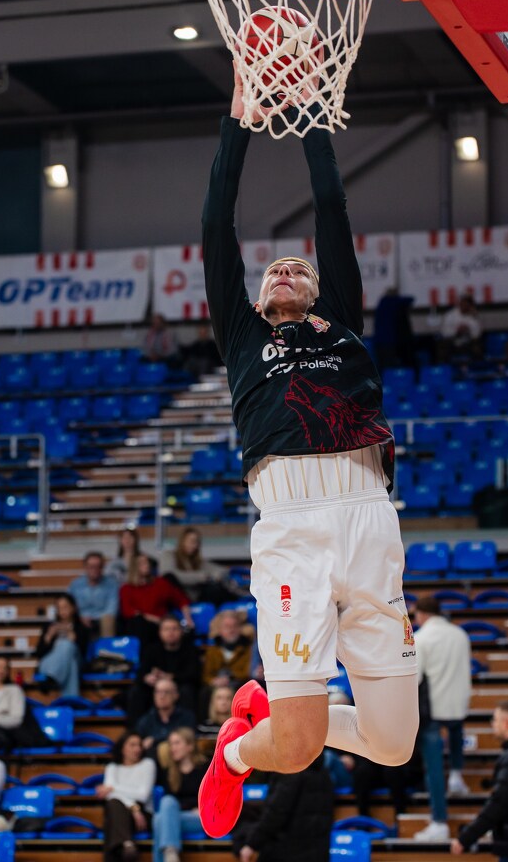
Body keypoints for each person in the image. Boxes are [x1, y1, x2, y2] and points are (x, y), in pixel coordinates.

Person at [197, 67, 418, 838]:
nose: (286, 269)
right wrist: (240, 119)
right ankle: (233, 753)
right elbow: (216, 224)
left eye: (299, 268)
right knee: (290, 752)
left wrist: (312, 110)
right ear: (259, 300)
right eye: (273, 271)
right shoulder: (242, 338)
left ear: (319, 293)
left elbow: (331, 205)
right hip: (291, 528)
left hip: (367, 518)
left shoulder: (342, 327)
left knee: (392, 745)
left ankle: (278, 717)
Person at [414, 595, 473, 842]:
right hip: (458, 703)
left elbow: (415, 677)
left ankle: (439, 821)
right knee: (456, 733)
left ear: (422, 614)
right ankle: (457, 776)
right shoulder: (460, 634)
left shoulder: (421, 638)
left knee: (434, 768)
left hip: (433, 708)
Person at [450, 700, 508, 859]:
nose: (493, 724)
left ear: (506, 723)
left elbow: (499, 804)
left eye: (495, 720)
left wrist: (467, 837)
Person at [231, 754, 335, 862]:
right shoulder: (324, 773)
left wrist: (252, 844)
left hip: (287, 851)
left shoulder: (290, 770)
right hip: (317, 853)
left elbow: (275, 812)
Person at [96, 730, 157, 862]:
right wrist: (132, 806)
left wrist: (113, 788)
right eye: (132, 745)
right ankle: (127, 845)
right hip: (128, 810)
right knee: (113, 804)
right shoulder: (112, 767)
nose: (137, 749)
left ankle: (126, 846)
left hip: (142, 815)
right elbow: (109, 795)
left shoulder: (148, 764)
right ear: (122, 748)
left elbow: (143, 795)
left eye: (139, 745)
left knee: (112, 818)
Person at [130, 614, 201, 721]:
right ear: (160, 632)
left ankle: (188, 726)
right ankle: (136, 728)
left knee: (187, 691)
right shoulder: (151, 650)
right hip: (155, 686)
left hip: (179, 686)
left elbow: (194, 675)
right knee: (136, 691)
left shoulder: (191, 650)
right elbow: (141, 673)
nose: (170, 633)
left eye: (174, 629)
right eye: (166, 629)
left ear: (181, 631)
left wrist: (170, 677)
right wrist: (147, 678)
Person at [153, 727, 208, 862]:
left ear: (190, 746)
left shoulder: (205, 768)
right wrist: (190, 806)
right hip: (179, 815)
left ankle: (169, 855)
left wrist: (200, 808)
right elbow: (171, 804)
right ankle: (170, 853)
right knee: (166, 804)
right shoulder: (169, 772)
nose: (173, 748)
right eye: (171, 744)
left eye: (177, 743)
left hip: (202, 817)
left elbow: (213, 796)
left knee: (159, 820)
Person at [119, 554, 193, 645]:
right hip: (143, 625)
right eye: (142, 563)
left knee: (176, 628)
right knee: (138, 623)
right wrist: (156, 619)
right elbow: (128, 611)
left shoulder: (160, 583)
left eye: (147, 562)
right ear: (134, 567)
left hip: (162, 625)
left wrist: (188, 619)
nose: (146, 565)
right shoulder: (126, 589)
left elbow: (181, 600)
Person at [159, 526, 233, 605]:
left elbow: (216, 569)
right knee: (214, 589)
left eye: (197, 543)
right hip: (178, 598)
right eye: (192, 541)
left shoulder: (195, 561)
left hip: (196, 598)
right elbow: (169, 576)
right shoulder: (169, 555)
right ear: (182, 541)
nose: (195, 546)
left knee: (220, 588)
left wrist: (231, 571)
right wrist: (201, 577)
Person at [36, 593, 89, 696]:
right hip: (48, 664)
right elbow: (39, 654)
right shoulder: (49, 627)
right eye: (59, 608)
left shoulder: (81, 628)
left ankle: (52, 678)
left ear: (73, 608)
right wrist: (48, 638)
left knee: (69, 651)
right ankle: (71, 701)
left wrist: (74, 639)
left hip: (74, 662)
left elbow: (83, 654)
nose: (62, 611)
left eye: (65, 607)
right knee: (71, 662)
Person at [135, 679, 197, 756]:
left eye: (166, 692)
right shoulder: (145, 720)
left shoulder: (187, 717)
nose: (162, 696)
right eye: (158, 692)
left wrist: (154, 740)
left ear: (176, 695)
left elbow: (188, 739)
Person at [68, 551, 119, 639]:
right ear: (85, 567)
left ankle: (106, 647)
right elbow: (68, 605)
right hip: (80, 620)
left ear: (102, 568)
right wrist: (80, 617)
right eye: (91, 567)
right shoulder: (75, 585)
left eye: (98, 566)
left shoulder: (111, 584)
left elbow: (112, 608)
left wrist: (95, 619)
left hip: (102, 620)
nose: (94, 570)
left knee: (108, 620)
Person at [201, 609, 253, 693]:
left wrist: (230, 677)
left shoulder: (248, 649)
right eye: (227, 627)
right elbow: (206, 675)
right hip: (217, 689)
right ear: (220, 630)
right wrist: (214, 681)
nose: (231, 630)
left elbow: (248, 673)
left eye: (235, 626)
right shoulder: (212, 651)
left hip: (240, 687)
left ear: (240, 629)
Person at [372, 287, 416, 371]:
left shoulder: (381, 303)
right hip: (389, 341)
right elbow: (410, 299)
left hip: (378, 341)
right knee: (389, 367)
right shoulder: (393, 302)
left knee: (381, 366)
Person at [438, 294, 483, 361]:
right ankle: (443, 366)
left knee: (477, 346)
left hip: (467, 342)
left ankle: (477, 365)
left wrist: (468, 329)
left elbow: (477, 334)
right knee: (442, 346)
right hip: (452, 342)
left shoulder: (473, 316)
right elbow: (444, 332)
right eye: (463, 303)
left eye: (467, 304)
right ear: (459, 303)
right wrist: (457, 331)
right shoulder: (450, 315)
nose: (465, 305)